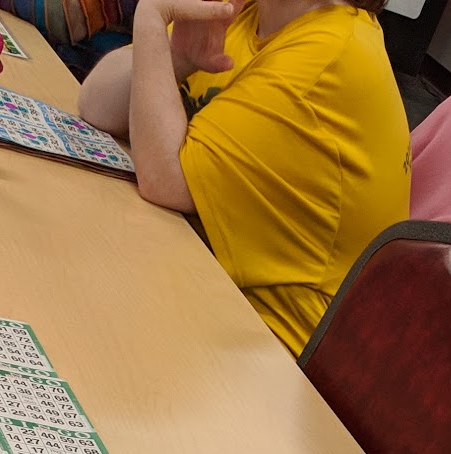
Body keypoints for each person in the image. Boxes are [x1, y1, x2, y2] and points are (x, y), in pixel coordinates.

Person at [77, 0, 410, 356]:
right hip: (192, 283)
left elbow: (164, 178)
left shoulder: (330, 53)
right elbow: (96, 104)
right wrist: (173, 58)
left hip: (267, 352)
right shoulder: (248, 13)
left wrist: (151, 20)